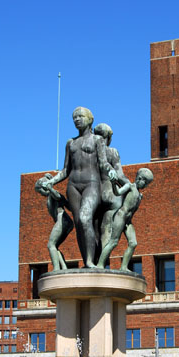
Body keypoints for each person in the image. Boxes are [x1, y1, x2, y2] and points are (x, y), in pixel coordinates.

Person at [45, 107, 117, 268]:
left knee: (85, 219)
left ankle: (91, 261)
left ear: (90, 119)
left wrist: (111, 171)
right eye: (74, 118)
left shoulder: (97, 140)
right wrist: (52, 181)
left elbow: (103, 163)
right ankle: (86, 261)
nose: (77, 119)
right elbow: (65, 170)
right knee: (78, 223)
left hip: (91, 184)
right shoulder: (70, 143)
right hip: (73, 186)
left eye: (80, 116)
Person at [97, 168, 154, 271]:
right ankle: (100, 265)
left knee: (133, 243)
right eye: (145, 182)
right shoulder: (130, 186)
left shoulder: (140, 195)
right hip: (120, 216)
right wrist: (113, 183)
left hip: (128, 221)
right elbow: (118, 192)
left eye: (147, 184)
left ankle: (123, 267)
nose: (145, 186)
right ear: (139, 178)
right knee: (113, 242)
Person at [94, 123, 131, 253]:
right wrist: (129, 184)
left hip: (93, 195)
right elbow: (120, 175)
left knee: (93, 230)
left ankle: (91, 262)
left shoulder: (89, 153)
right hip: (110, 194)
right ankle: (102, 264)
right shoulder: (112, 152)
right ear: (109, 137)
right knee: (106, 229)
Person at [35, 173, 74, 270]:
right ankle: (64, 267)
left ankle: (56, 268)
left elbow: (58, 196)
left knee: (50, 245)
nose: (40, 194)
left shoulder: (52, 194)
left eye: (40, 191)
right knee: (54, 246)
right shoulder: (51, 196)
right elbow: (68, 204)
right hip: (66, 222)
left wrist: (50, 188)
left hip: (62, 219)